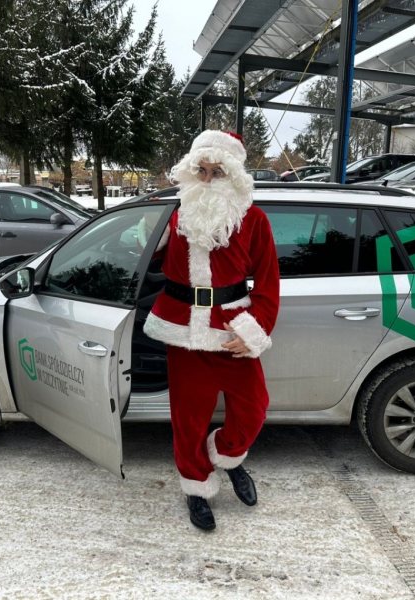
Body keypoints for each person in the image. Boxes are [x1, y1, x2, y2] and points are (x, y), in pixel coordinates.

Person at [143, 130, 280, 531]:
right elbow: (145, 258)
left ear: (233, 174)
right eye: (200, 170)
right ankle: (196, 486)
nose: (206, 179)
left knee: (253, 408)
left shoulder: (254, 219)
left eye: (216, 172)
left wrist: (254, 331)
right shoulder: (175, 215)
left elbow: (268, 282)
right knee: (187, 418)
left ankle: (228, 456)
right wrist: (147, 236)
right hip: (183, 331)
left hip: (230, 330)